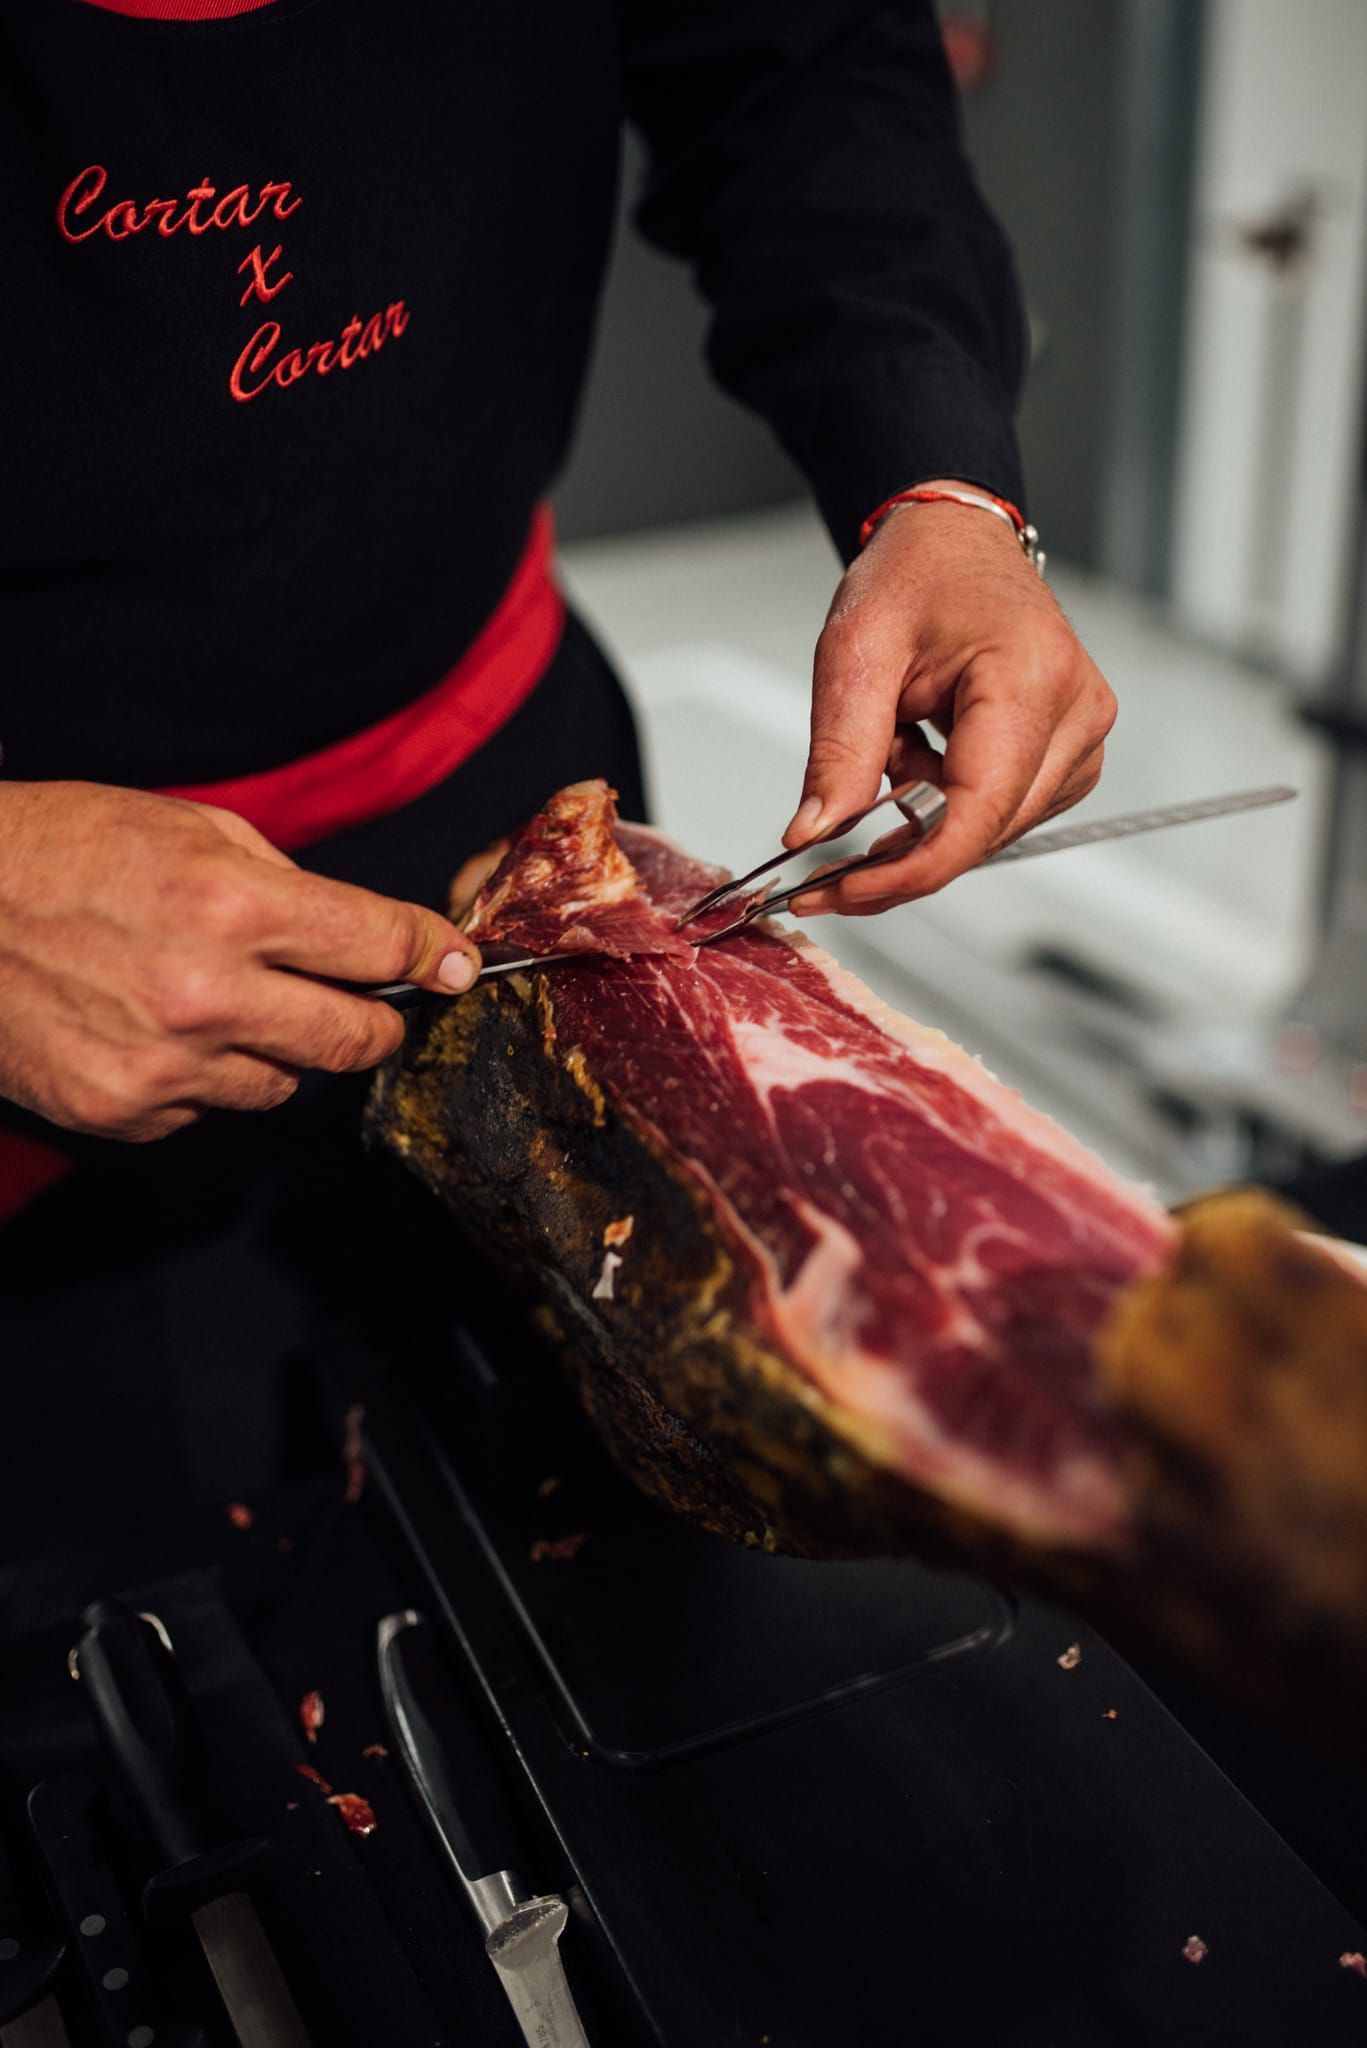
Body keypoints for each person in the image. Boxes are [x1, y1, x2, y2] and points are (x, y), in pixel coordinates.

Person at [0, 0, 1114, 1545]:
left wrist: (941, 482)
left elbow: (799, 62)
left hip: (512, 831)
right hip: (37, 980)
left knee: (617, 1536)